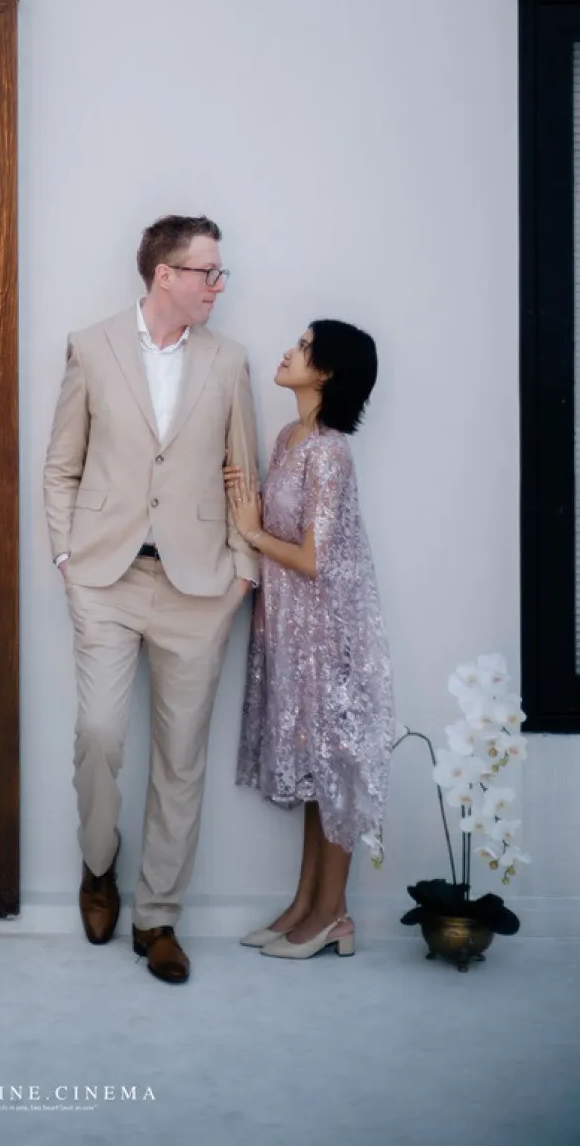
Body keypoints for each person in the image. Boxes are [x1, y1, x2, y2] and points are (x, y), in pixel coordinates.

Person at [43, 215, 259, 984]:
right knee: (100, 733)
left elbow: (243, 473)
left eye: (219, 273)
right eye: (208, 271)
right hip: (106, 578)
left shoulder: (229, 361)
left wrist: (241, 574)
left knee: (181, 757)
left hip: (199, 587)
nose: (218, 285)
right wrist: (67, 556)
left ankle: (158, 918)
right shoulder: (91, 346)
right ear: (165, 274)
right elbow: (61, 464)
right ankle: (99, 865)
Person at [225, 320, 392, 960]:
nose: (288, 351)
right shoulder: (290, 438)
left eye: (302, 346)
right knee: (317, 774)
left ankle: (333, 915)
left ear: (325, 371)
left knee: (336, 771)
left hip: (328, 633)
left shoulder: (330, 452)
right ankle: (306, 905)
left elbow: (314, 559)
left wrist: (251, 532)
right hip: (291, 630)